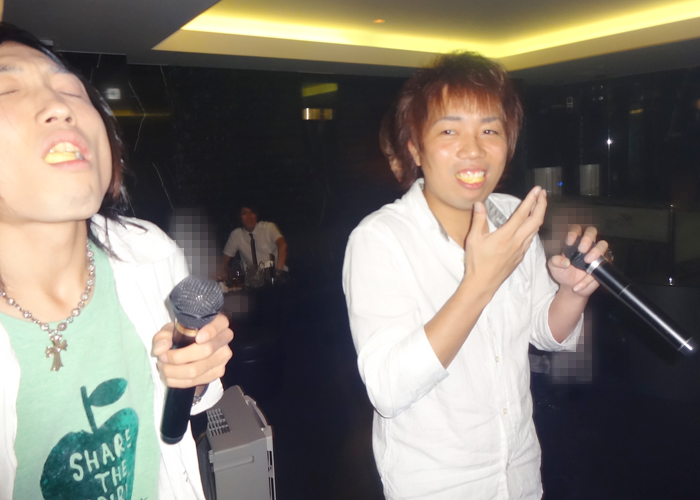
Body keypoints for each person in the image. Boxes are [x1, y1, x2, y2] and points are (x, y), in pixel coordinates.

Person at [342, 52, 609, 499]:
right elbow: (387, 389)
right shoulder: (380, 239)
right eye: (450, 130)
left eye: (490, 130)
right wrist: (480, 282)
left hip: (519, 471)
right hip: (438, 485)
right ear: (415, 148)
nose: (474, 149)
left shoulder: (512, 216)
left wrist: (572, 292)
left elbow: (544, 331)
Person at [0, 24, 233, 500]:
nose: (62, 106)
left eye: (72, 90)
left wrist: (193, 372)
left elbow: (188, 405)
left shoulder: (149, 253)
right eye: (8, 89)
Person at [221, 205, 288, 275]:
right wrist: (223, 274)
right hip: (251, 278)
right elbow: (224, 261)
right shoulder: (236, 235)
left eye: (252, 212)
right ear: (239, 217)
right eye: (245, 213)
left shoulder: (268, 228)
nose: (249, 217)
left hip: (274, 273)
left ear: (256, 215)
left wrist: (278, 272)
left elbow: (282, 245)